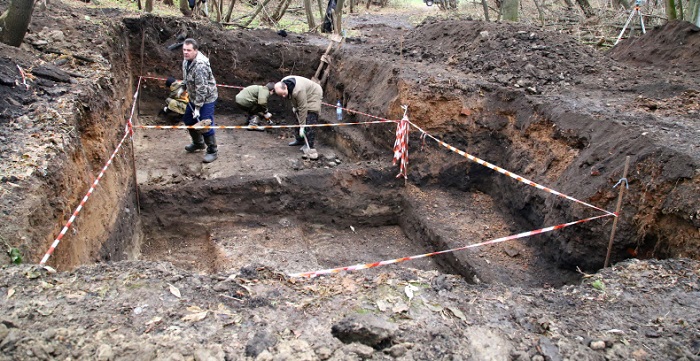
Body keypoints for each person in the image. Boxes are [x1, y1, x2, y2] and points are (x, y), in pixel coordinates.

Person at [181, 38, 218, 163]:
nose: (186, 52)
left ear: (195, 51)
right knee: (188, 120)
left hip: (206, 98)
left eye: (189, 50)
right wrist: (183, 88)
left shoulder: (200, 66)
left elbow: (202, 89)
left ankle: (213, 151)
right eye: (184, 50)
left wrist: (197, 108)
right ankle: (198, 143)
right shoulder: (186, 62)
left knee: (204, 124)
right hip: (193, 96)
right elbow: (186, 78)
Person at [273, 76, 322, 160]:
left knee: (310, 117)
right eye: (281, 95)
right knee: (297, 116)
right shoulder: (283, 82)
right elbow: (291, 97)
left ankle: (309, 144)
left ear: (286, 87)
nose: (284, 96)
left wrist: (302, 126)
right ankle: (299, 140)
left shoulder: (298, 90)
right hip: (302, 94)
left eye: (284, 93)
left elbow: (303, 107)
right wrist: (294, 106)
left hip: (313, 93)